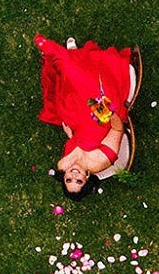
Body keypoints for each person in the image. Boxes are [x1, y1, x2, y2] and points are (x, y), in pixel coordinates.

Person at [35, 34, 135, 194]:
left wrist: (71, 136)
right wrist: (108, 113)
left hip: (78, 121)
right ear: (87, 177)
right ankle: (60, 54)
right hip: (103, 117)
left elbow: (79, 145)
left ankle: (70, 57)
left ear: (63, 176)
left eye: (68, 179)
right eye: (79, 180)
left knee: (68, 97)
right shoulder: (100, 162)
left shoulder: (63, 164)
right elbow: (117, 129)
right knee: (86, 84)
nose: (73, 175)